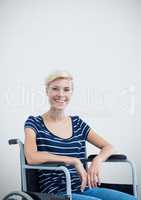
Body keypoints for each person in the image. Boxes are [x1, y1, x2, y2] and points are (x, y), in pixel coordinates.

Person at [24, 70, 137, 200]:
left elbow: (108, 147)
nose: (61, 94)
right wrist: (72, 160)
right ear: (47, 91)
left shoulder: (77, 123)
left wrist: (97, 160)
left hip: (85, 187)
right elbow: (32, 157)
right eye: (55, 89)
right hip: (56, 192)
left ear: (71, 93)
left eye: (66, 89)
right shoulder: (34, 122)